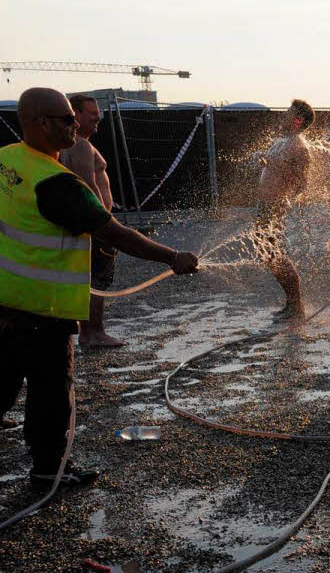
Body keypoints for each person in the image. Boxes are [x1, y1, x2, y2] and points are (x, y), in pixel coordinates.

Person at [0, 88, 198, 489]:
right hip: (43, 310)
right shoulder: (54, 182)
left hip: (6, 306)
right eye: (66, 118)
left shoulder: (6, 160)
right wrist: (173, 257)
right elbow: (114, 232)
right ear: (40, 122)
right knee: (51, 395)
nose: (75, 124)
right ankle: (47, 473)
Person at [59, 93, 122, 348]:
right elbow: (87, 185)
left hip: (90, 224)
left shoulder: (73, 145)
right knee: (98, 278)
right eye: (92, 113)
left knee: (93, 277)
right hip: (96, 226)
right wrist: (106, 225)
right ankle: (93, 332)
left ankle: (90, 331)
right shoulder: (80, 145)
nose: (98, 118)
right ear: (75, 114)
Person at [254, 99, 314, 319]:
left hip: (275, 204)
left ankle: (295, 305)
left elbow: (301, 185)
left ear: (297, 120)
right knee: (267, 252)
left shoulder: (299, 146)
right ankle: (292, 303)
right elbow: (274, 166)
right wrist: (265, 162)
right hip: (266, 203)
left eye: (288, 114)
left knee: (272, 252)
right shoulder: (283, 141)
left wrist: (273, 165)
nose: (283, 116)